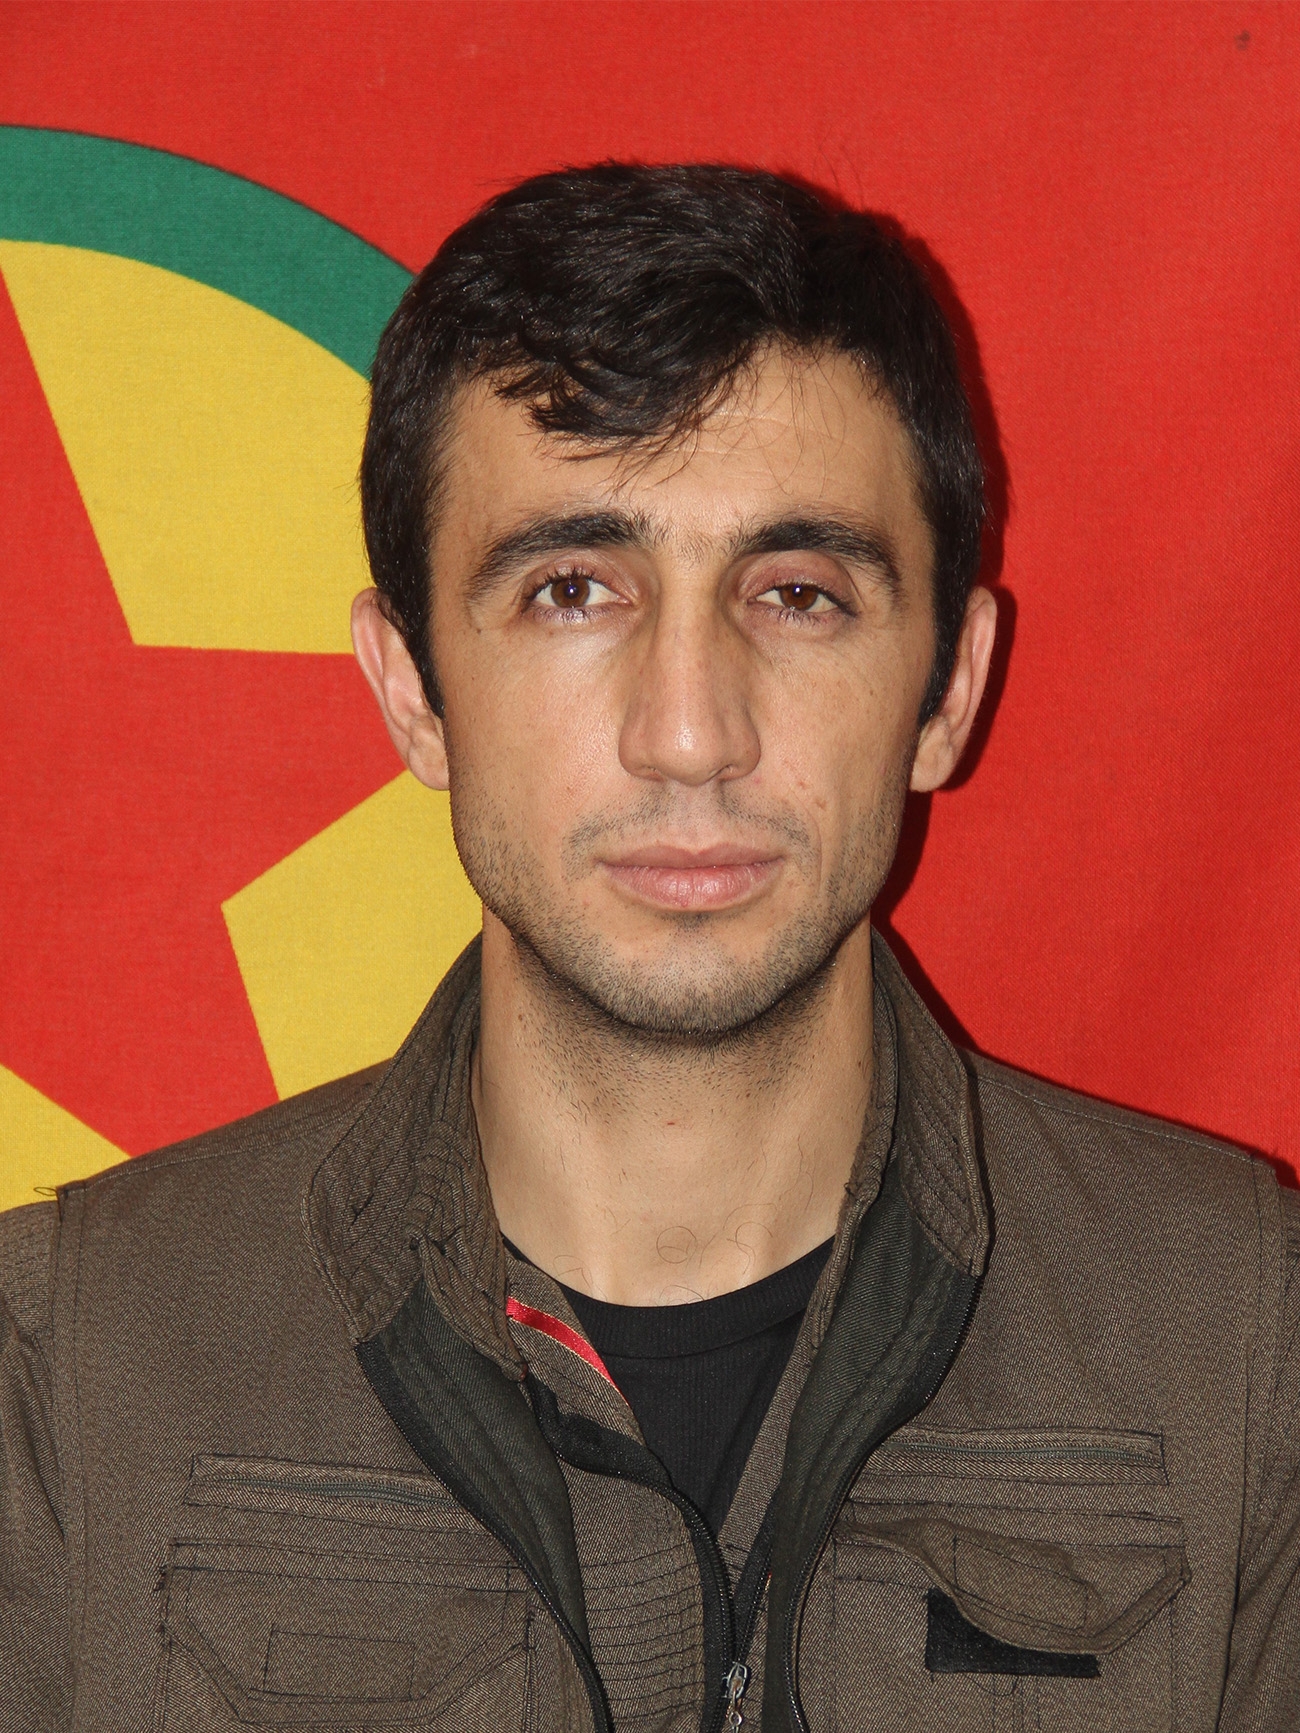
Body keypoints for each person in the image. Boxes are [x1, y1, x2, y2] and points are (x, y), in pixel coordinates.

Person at [1, 164, 1295, 1733]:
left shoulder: (1248, 1352)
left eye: (798, 594)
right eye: (572, 590)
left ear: (948, 688)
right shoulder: (69, 1375)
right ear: (411, 689)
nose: (690, 730)